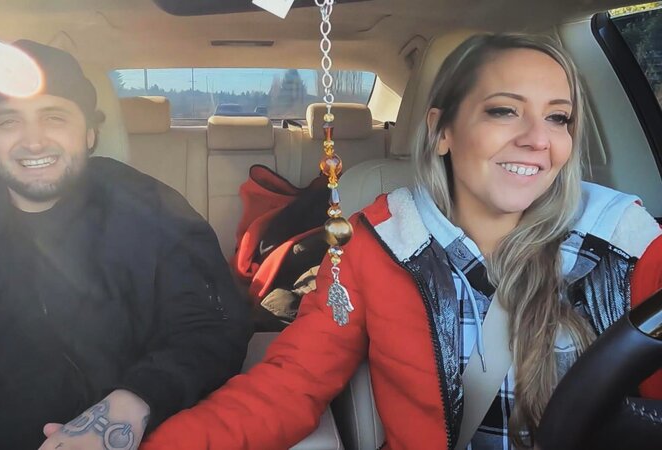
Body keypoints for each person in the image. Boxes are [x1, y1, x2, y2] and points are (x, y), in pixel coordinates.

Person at [141, 33, 662, 450]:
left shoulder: (627, 242)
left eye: (558, 117)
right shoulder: (380, 242)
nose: (538, 139)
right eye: (504, 111)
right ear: (442, 131)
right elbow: (292, 382)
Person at [0, 40, 249, 449]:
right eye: (8, 122)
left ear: (89, 132)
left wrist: (134, 401)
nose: (33, 141)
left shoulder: (148, 208)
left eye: (54, 117)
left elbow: (212, 324)